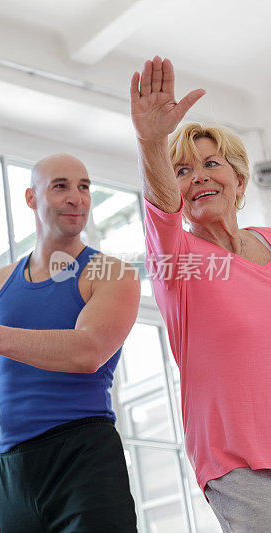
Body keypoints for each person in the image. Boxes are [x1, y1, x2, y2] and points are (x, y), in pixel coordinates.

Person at [0, 153, 140, 532]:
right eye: (61, 186)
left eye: (84, 187)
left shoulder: (112, 272)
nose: (76, 198)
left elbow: (87, 351)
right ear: (31, 198)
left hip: (84, 457)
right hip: (12, 467)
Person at [131, 56, 271, 531]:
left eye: (211, 164)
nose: (199, 177)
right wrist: (151, 140)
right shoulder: (177, 257)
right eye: (184, 171)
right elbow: (162, 205)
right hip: (239, 461)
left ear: (239, 180)